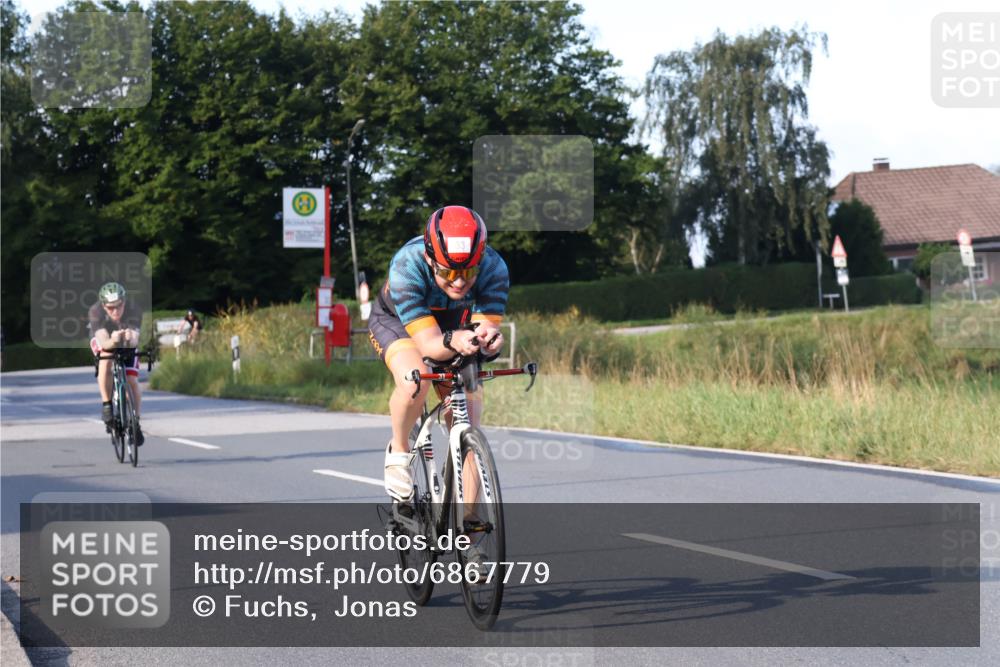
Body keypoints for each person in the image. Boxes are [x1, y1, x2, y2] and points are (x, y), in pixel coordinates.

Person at [368, 206, 508, 505]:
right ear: (430, 259)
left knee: (467, 417)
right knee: (414, 379)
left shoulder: (494, 267)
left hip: (455, 324)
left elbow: (484, 326)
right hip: (399, 323)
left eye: (469, 272)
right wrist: (456, 338)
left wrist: (490, 339)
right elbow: (430, 343)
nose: (459, 282)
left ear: (480, 260)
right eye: (447, 272)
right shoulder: (407, 264)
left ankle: (469, 529)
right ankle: (400, 448)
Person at [89, 281, 144, 446]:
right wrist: (114, 340)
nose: (115, 311)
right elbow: (104, 342)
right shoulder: (95, 312)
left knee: (132, 381)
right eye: (110, 308)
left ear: (124, 302)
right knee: (106, 357)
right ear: (103, 306)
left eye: (118, 306)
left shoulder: (134, 310)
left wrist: (128, 338)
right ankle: (107, 404)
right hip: (104, 339)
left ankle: (136, 422)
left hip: (126, 342)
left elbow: (134, 339)